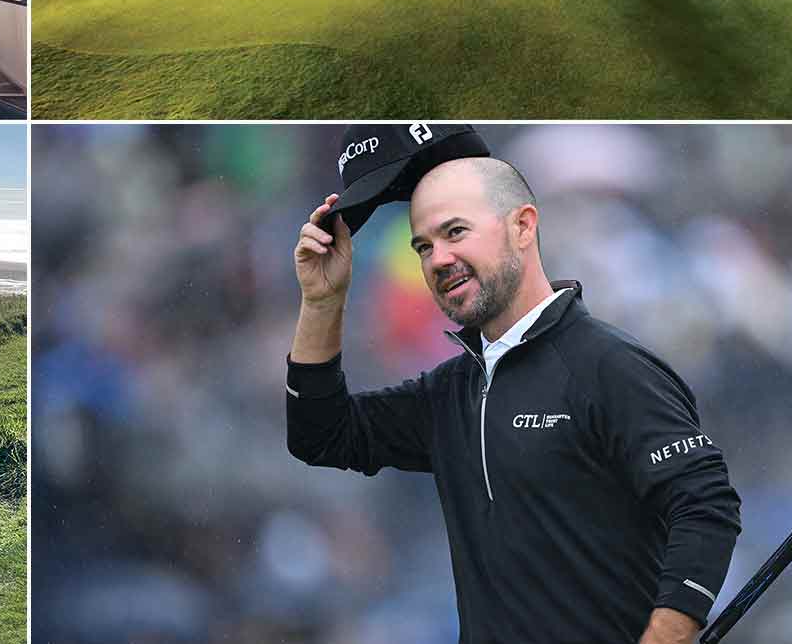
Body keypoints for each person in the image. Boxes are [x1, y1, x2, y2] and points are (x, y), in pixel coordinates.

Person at [286, 155, 740, 644]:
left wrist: (666, 635)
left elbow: (706, 503)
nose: (438, 258)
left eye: (456, 232)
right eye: (424, 246)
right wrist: (321, 301)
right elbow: (321, 435)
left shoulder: (610, 368)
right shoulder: (449, 393)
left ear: (523, 226)